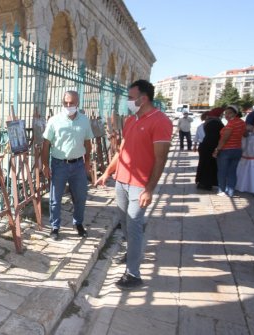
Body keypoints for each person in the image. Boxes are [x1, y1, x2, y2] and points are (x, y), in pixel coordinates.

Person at [95, 80, 173, 290]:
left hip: (140, 185)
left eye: (130, 98)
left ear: (143, 98)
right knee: (125, 223)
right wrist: (107, 172)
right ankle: (133, 254)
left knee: (134, 224)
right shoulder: (130, 120)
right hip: (121, 181)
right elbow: (122, 152)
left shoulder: (160, 121)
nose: (128, 101)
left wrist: (149, 189)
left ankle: (133, 273)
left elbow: (160, 159)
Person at [42, 90, 94, 241]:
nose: (69, 105)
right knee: (55, 199)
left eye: (72, 103)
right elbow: (46, 144)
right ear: (62, 103)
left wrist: (87, 162)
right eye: (66, 103)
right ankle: (55, 227)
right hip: (59, 165)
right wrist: (45, 165)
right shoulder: (54, 120)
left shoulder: (84, 120)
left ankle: (78, 223)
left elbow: (87, 142)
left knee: (80, 197)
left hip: (78, 165)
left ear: (77, 103)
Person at [213, 105, 246, 197]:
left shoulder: (231, 124)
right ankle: (231, 191)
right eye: (225, 113)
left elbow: (224, 139)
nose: (227, 115)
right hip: (237, 149)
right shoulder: (242, 123)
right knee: (232, 171)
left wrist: (217, 150)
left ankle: (221, 190)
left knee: (222, 171)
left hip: (226, 151)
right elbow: (245, 134)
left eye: (229, 113)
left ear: (235, 113)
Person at [195, 108, 224, 190]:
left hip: (206, 146)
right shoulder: (215, 123)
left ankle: (203, 183)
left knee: (204, 165)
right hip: (210, 147)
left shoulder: (209, 121)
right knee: (209, 166)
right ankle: (206, 183)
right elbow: (215, 137)